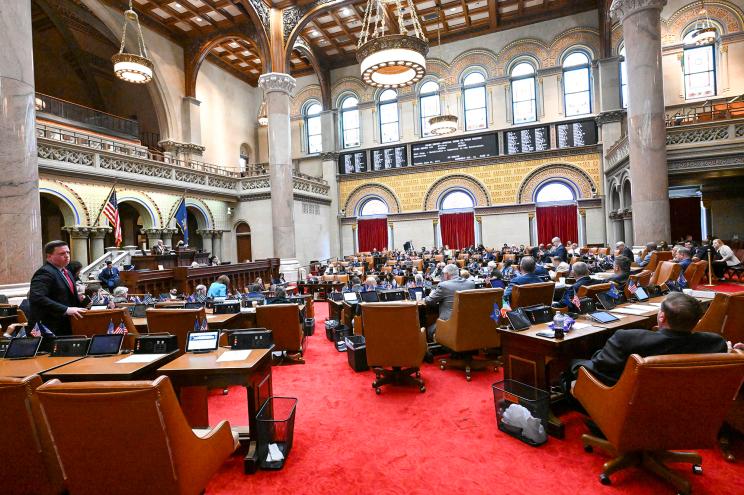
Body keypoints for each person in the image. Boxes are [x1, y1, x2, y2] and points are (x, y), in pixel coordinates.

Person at [570, 293, 727, 386]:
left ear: (661, 316)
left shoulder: (626, 338)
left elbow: (600, 367)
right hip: (684, 403)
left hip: (627, 402)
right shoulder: (715, 343)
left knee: (575, 365)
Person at [28, 240, 87, 336]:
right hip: (51, 327)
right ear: (49, 256)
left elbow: (61, 295)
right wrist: (66, 309)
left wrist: (79, 300)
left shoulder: (66, 271)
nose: (67, 255)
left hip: (67, 324)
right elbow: (37, 297)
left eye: (68, 252)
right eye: (62, 253)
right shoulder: (45, 272)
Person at [424, 264, 475, 340]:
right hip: (467, 322)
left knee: (428, 331)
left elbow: (429, 301)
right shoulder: (470, 284)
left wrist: (430, 295)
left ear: (447, 275)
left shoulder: (443, 285)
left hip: (448, 323)